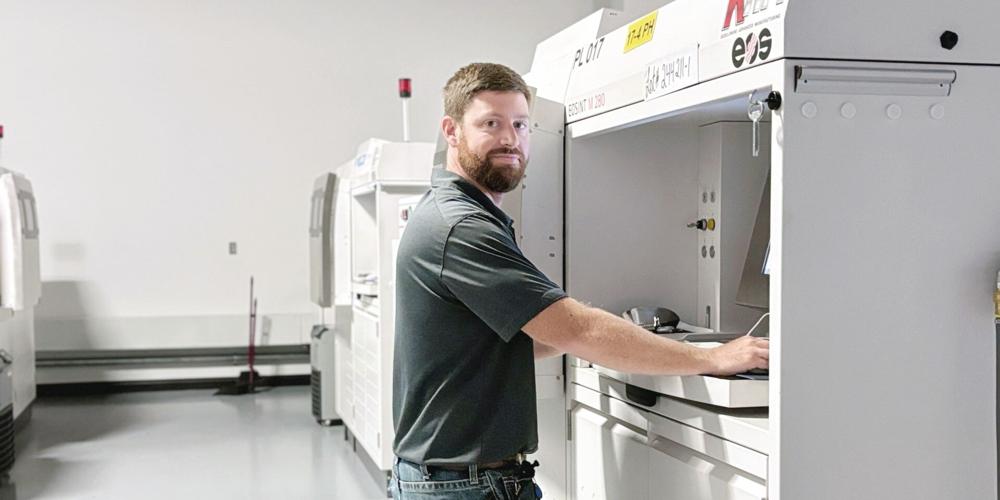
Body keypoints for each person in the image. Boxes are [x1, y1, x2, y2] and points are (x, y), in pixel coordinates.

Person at [390, 62, 769, 500]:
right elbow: (576, 329)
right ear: (451, 130)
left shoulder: (461, 214)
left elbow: (510, 339)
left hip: (456, 478)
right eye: (490, 124)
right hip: (464, 485)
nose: (510, 139)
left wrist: (621, 335)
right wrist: (712, 358)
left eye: (520, 124)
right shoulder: (461, 226)